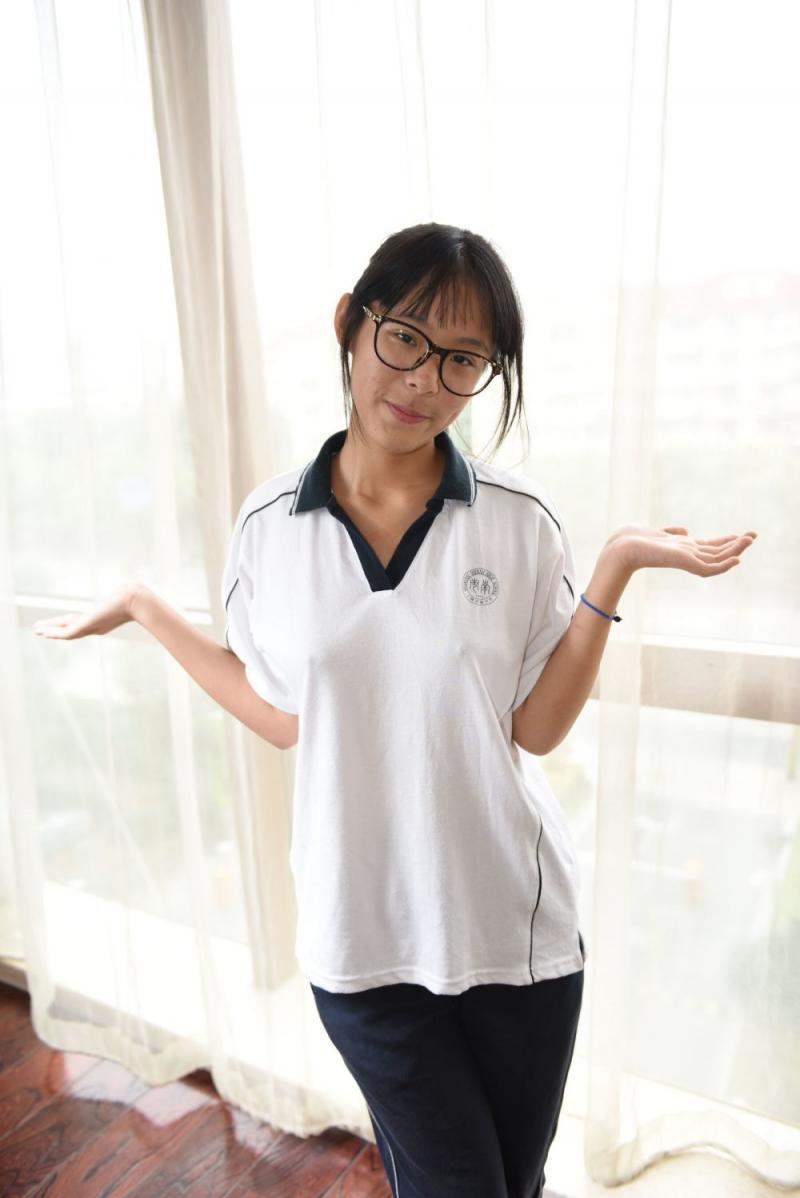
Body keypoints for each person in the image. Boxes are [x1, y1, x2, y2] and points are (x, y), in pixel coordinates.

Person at [32, 222, 757, 1198]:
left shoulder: (517, 519)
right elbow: (287, 716)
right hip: (361, 940)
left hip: (516, 941)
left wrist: (615, 565)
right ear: (351, 322)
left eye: (463, 360)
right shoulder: (267, 528)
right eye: (406, 337)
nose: (423, 380)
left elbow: (535, 730)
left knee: (512, 1183)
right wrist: (147, 608)